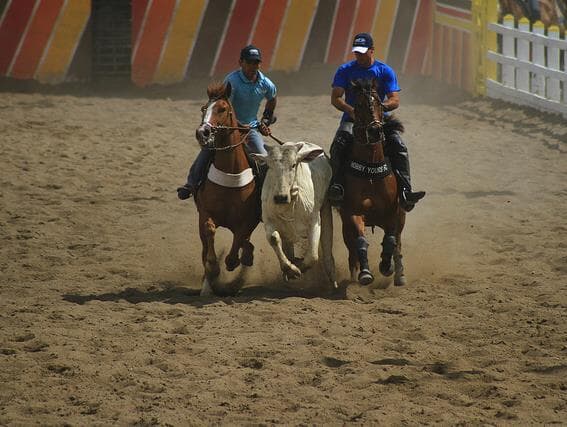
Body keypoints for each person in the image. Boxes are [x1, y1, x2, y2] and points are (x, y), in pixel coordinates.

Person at [327, 32, 425, 212]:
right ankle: (337, 187)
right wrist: (352, 111)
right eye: (356, 52)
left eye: (363, 52)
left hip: (379, 118)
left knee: (399, 146)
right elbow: (336, 98)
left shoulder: (384, 70)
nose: (359, 55)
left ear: (372, 51)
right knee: (338, 145)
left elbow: (394, 99)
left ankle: (405, 191)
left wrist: (379, 109)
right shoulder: (345, 70)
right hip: (352, 118)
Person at [177, 45, 277, 200]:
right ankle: (191, 184)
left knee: (263, 158)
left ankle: (267, 193)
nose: (253, 66)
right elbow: (224, 107)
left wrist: (266, 119)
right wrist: (238, 125)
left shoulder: (265, 83)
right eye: (249, 62)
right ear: (241, 62)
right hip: (228, 127)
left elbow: (272, 98)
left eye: (256, 62)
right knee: (208, 150)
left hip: (251, 129)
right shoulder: (232, 81)